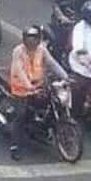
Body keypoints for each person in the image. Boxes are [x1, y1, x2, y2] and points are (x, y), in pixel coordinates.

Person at [8, 26, 68, 160]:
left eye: (35, 38)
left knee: (52, 103)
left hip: (38, 85)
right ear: (24, 39)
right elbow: (19, 71)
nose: (32, 41)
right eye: (29, 38)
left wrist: (65, 77)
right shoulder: (18, 51)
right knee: (21, 116)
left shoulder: (42, 49)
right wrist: (28, 87)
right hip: (21, 89)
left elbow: (52, 64)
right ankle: (15, 147)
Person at [69, 0, 91, 116]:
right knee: (79, 89)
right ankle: (76, 113)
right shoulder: (80, 28)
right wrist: (86, 60)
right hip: (85, 67)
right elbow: (78, 48)